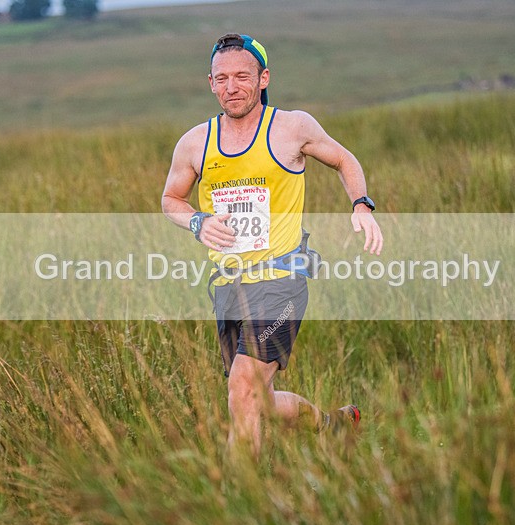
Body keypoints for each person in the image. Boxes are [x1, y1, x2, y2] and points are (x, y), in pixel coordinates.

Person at [161, 33, 383, 457]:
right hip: (228, 286)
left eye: (242, 76)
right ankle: (332, 424)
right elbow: (171, 200)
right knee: (255, 400)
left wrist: (361, 204)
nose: (232, 87)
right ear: (210, 82)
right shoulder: (195, 142)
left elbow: (343, 159)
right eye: (222, 78)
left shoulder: (291, 127)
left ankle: (242, 504)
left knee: (242, 388)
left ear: (263, 78)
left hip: (282, 281)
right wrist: (196, 221)